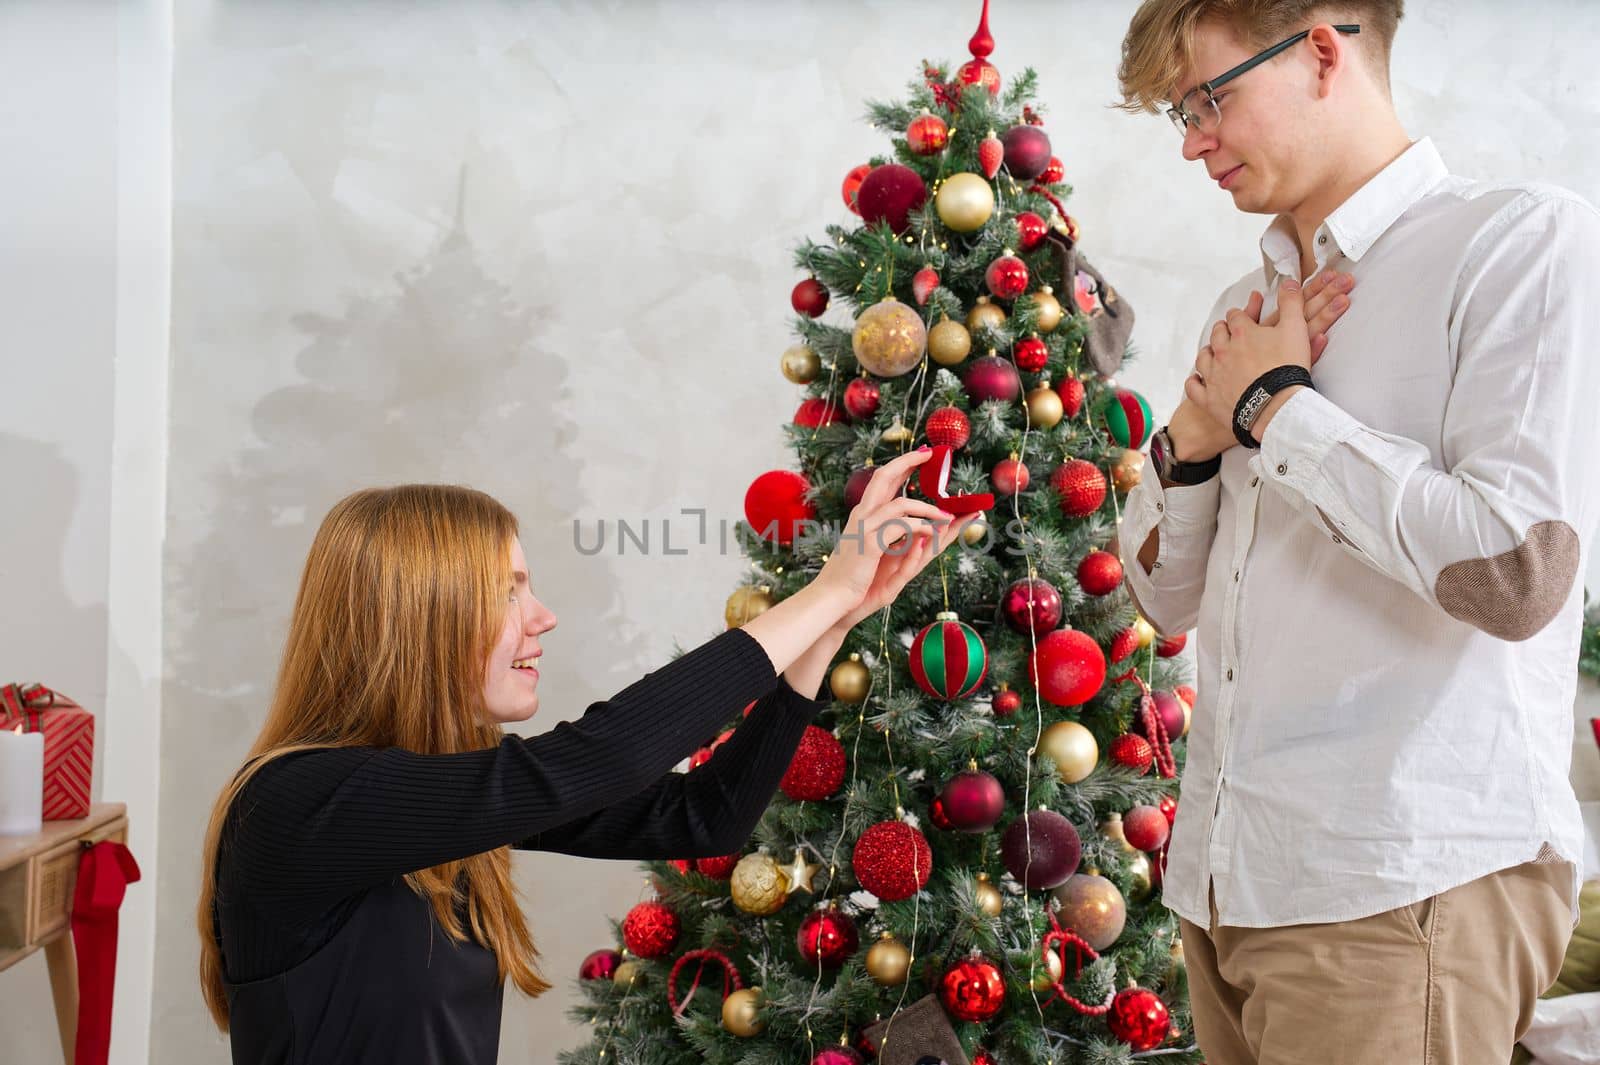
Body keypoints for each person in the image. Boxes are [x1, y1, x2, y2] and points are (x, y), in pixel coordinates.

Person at [1113, 2, 1600, 1061]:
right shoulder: (1247, 304)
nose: (1192, 139)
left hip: (1399, 884)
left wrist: (1278, 407)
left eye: (1208, 98)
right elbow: (1159, 602)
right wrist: (1197, 430)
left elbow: (1515, 577)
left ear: (1322, 51)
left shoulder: (1517, 241)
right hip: (1224, 885)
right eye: (1178, 114)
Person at [196, 450, 977, 1065]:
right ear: (420, 615)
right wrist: (821, 592)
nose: (542, 617)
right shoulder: (297, 803)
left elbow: (705, 816)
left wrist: (831, 626)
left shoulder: (436, 795)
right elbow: (596, 758)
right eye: (508, 591)